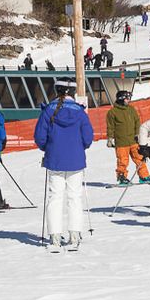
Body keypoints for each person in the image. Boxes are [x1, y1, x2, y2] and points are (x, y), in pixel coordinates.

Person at [35, 79, 95, 251]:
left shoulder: (48, 110)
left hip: (55, 159)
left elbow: (40, 137)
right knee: (74, 197)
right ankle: (74, 235)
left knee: (55, 197)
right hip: (75, 160)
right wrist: (78, 147)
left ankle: (54, 236)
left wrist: (49, 148)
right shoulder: (80, 112)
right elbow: (88, 138)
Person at [106, 90, 150, 186]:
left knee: (139, 158)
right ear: (121, 99)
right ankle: (122, 177)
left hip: (133, 140)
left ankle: (144, 176)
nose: (128, 100)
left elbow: (137, 121)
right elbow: (110, 126)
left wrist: (137, 133)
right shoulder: (112, 112)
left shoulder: (131, 109)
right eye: (126, 98)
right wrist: (110, 138)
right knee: (123, 161)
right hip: (121, 142)